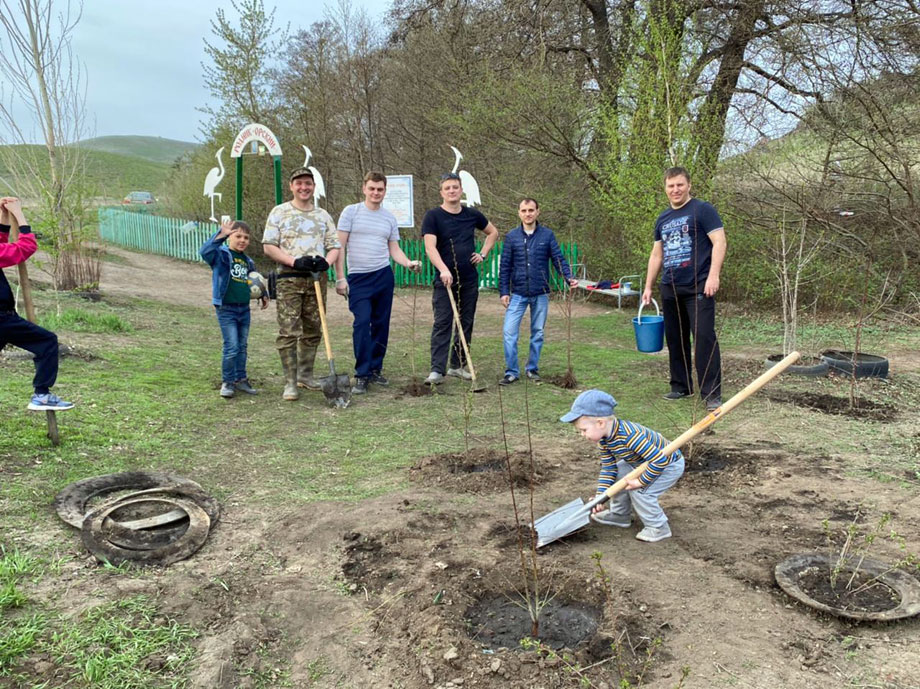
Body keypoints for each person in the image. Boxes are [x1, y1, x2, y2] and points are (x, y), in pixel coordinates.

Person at [642, 166, 726, 410]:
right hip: (670, 287)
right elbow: (657, 254)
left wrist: (714, 276)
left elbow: (719, 241)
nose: (675, 190)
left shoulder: (703, 210)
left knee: (704, 338)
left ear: (688, 185)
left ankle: (711, 393)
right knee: (675, 339)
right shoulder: (663, 218)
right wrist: (648, 286)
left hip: (699, 285)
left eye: (680, 185)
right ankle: (681, 386)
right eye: (671, 186)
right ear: (665, 188)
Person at [560, 389, 684, 542]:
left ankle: (658, 527)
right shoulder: (604, 440)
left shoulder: (630, 436)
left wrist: (641, 481)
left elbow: (659, 460)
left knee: (640, 491)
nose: (582, 435)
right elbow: (609, 468)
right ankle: (620, 515)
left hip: (669, 465)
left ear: (600, 423)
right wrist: (600, 497)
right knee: (619, 473)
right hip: (641, 462)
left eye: (584, 430)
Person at [338, 172, 422, 395]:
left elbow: (394, 249)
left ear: (385, 191)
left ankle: (375, 369)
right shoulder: (351, 212)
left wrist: (408, 262)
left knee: (381, 324)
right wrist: (340, 277)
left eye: (380, 189)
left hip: (383, 276)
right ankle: (362, 374)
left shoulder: (389, 218)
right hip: (358, 278)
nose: (376, 193)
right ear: (364, 188)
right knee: (362, 322)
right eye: (372, 188)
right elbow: (340, 247)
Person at [262, 167, 342, 401]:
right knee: (289, 331)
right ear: (291, 186)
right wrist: (294, 261)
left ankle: (306, 375)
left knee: (314, 329)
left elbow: (335, 245)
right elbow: (268, 246)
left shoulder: (323, 215)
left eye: (308, 183)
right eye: (299, 183)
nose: (304, 187)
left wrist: (326, 262)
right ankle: (290, 382)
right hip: (289, 279)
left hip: (316, 280)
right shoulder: (280, 212)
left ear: (313, 186)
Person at [421, 172, 499, 385]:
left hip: (469, 279)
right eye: (447, 188)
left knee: (465, 322)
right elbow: (430, 247)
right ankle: (437, 370)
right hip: (444, 281)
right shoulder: (433, 216)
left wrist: (483, 253)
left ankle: (457, 365)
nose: (452, 191)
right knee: (443, 322)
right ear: (442, 192)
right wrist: (443, 269)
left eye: (455, 187)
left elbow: (493, 233)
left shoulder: (472, 214)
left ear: (461, 190)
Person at [0, 197, 74, 411]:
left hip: (4, 318)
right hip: (3, 319)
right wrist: (19, 215)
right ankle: (41, 395)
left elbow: (2, 245)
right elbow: (26, 247)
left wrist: (4, 215)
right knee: (48, 342)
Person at [498, 198, 578, 385]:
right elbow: (505, 267)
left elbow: (559, 259)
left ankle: (532, 369)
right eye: (524, 210)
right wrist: (504, 291)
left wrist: (568, 277)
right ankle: (512, 371)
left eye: (531, 210)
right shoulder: (511, 237)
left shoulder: (547, 236)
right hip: (517, 293)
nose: (528, 214)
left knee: (538, 333)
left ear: (537, 212)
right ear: (519, 213)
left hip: (540, 293)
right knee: (509, 333)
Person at [199, 219, 269, 398]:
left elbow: (255, 281)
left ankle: (241, 379)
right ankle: (227, 382)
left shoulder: (247, 261)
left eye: (246, 237)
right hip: (226, 309)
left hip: (243, 309)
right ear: (230, 236)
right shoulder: (222, 256)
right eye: (238, 236)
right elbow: (205, 251)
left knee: (242, 346)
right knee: (231, 346)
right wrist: (220, 236)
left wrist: (263, 294)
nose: (242, 240)